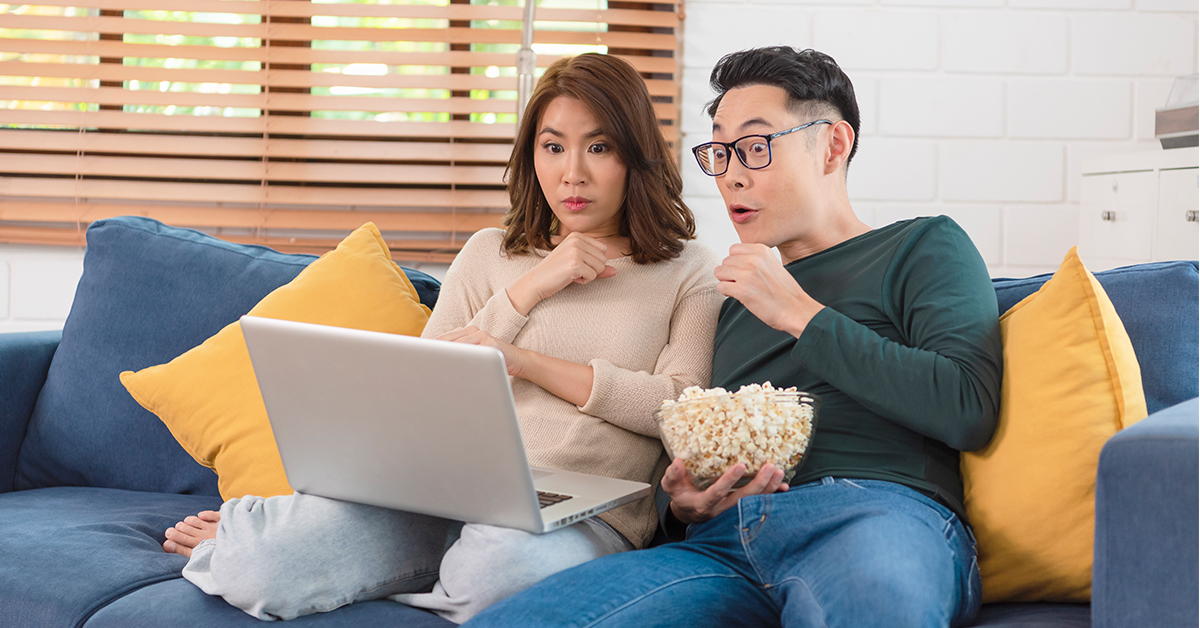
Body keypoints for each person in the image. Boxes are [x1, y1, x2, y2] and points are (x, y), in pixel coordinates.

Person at [160, 53, 724, 624]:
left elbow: (682, 409)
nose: (571, 172)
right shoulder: (490, 253)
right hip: (443, 492)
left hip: (580, 515)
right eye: (553, 147)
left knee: (495, 575)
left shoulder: (688, 271)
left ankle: (408, 577)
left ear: (635, 156)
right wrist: (531, 286)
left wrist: (525, 361)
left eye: (598, 147)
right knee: (255, 563)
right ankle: (298, 543)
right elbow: (423, 387)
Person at [461, 46, 1003, 628]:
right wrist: (685, 505)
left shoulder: (921, 247)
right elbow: (686, 447)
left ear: (833, 145)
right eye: (719, 152)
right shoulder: (729, 302)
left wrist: (800, 312)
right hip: (722, 544)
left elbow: (966, 407)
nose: (732, 175)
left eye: (754, 146)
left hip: (873, 512)